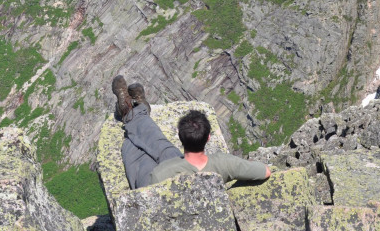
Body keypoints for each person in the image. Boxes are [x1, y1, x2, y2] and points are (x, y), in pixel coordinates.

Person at [112, 75, 271, 189]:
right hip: (181, 163)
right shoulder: (225, 163)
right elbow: (265, 171)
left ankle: (130, 111)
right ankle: (139, 109)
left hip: (153, 182)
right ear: (208, 137)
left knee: (134, 147)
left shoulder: (159, 175)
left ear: (179, 136)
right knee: (163, 148)